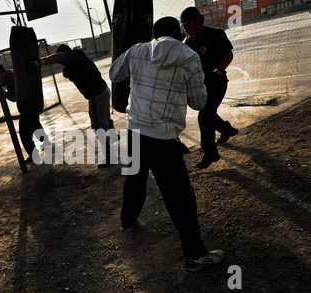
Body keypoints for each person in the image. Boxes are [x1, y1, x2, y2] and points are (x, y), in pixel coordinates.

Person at [109, 16, 223, 272]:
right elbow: (198, 103)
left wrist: (135, 64)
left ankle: (126, 221)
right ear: (180, 35)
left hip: (136, 131)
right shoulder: (190, 58)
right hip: (163, 139)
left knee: (134, 180)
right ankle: (194, 255)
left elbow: (114, 74)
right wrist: (205, 83)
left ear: (154, 34)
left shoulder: (138, 50)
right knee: (180, 197)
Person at [36, 45, 116, 168]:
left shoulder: (71, 56)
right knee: (104, 119)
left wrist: (41, 62)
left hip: (96, 95)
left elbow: (60, 57)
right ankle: (113, 135)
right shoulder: (79, 57)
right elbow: (67, 73)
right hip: (103, 90)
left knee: (98, 126)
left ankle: (110, 156)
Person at [181, 6, 239, 169]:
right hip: (202, 86)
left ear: (197, 20)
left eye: (187, 24)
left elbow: (229, 54)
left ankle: (210, 153)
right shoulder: (189, 42)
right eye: (183, 25)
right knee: (209, 114)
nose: (185, 28)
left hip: (218, 83)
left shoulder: (216, 34)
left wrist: (219, 70)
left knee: (204, 116)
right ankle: (226, 129)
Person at [0, 64, 48, 163]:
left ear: (1, 73)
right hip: (33, 104)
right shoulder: (13, 74)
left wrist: (3, 92)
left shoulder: (10, 79)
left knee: (24, 133)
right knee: (35, 126)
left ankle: (34, 156)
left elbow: (13, 97)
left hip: (26, 107)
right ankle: (45, 143)